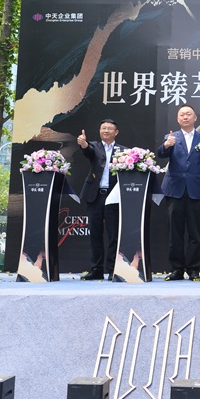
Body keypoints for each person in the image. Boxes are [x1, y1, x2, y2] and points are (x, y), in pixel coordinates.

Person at [157, 105, 200, 281]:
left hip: (196, 191)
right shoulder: (171, 137)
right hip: (174, 190)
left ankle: (194, 269)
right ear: (178, 119)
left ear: (195, 118)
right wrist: (166, 145)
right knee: (175, 233)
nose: (185, 117)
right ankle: (176, 269)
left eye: (189, 114)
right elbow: (160, 154)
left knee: (195, 233)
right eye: (182, 115)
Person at [77, 118, 123, 280]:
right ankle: (96, 269)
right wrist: (83, 144)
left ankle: (112, 269)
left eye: (109, 128)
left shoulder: (123, 151)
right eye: (103, 128)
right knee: (95, 233)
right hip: (95, 195)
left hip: (113, 196)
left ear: (116, 132)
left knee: (113, 234)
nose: (106, 130)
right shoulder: (94, 146)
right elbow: (88, 151)